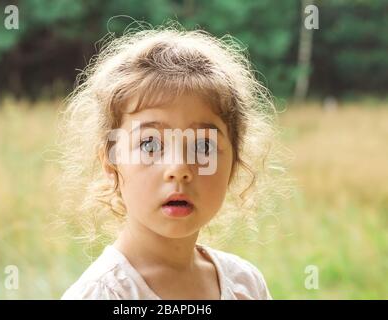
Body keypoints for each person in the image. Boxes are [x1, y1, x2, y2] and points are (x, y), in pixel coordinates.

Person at [58, 22, 281, 300]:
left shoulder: (245, 285)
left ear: (234, 164)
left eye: (203, 146)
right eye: (149, 144)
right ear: (111, 162)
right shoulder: (103, 294)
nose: (179, 169)